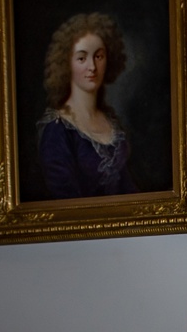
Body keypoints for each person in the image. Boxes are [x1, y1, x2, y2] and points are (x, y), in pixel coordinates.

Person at [36, 12, 135, 199]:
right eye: (82, 58)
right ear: (66, 63)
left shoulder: (112, 124)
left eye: (99, 56)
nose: (92, 67)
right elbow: (66, 200)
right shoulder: (58, 130)